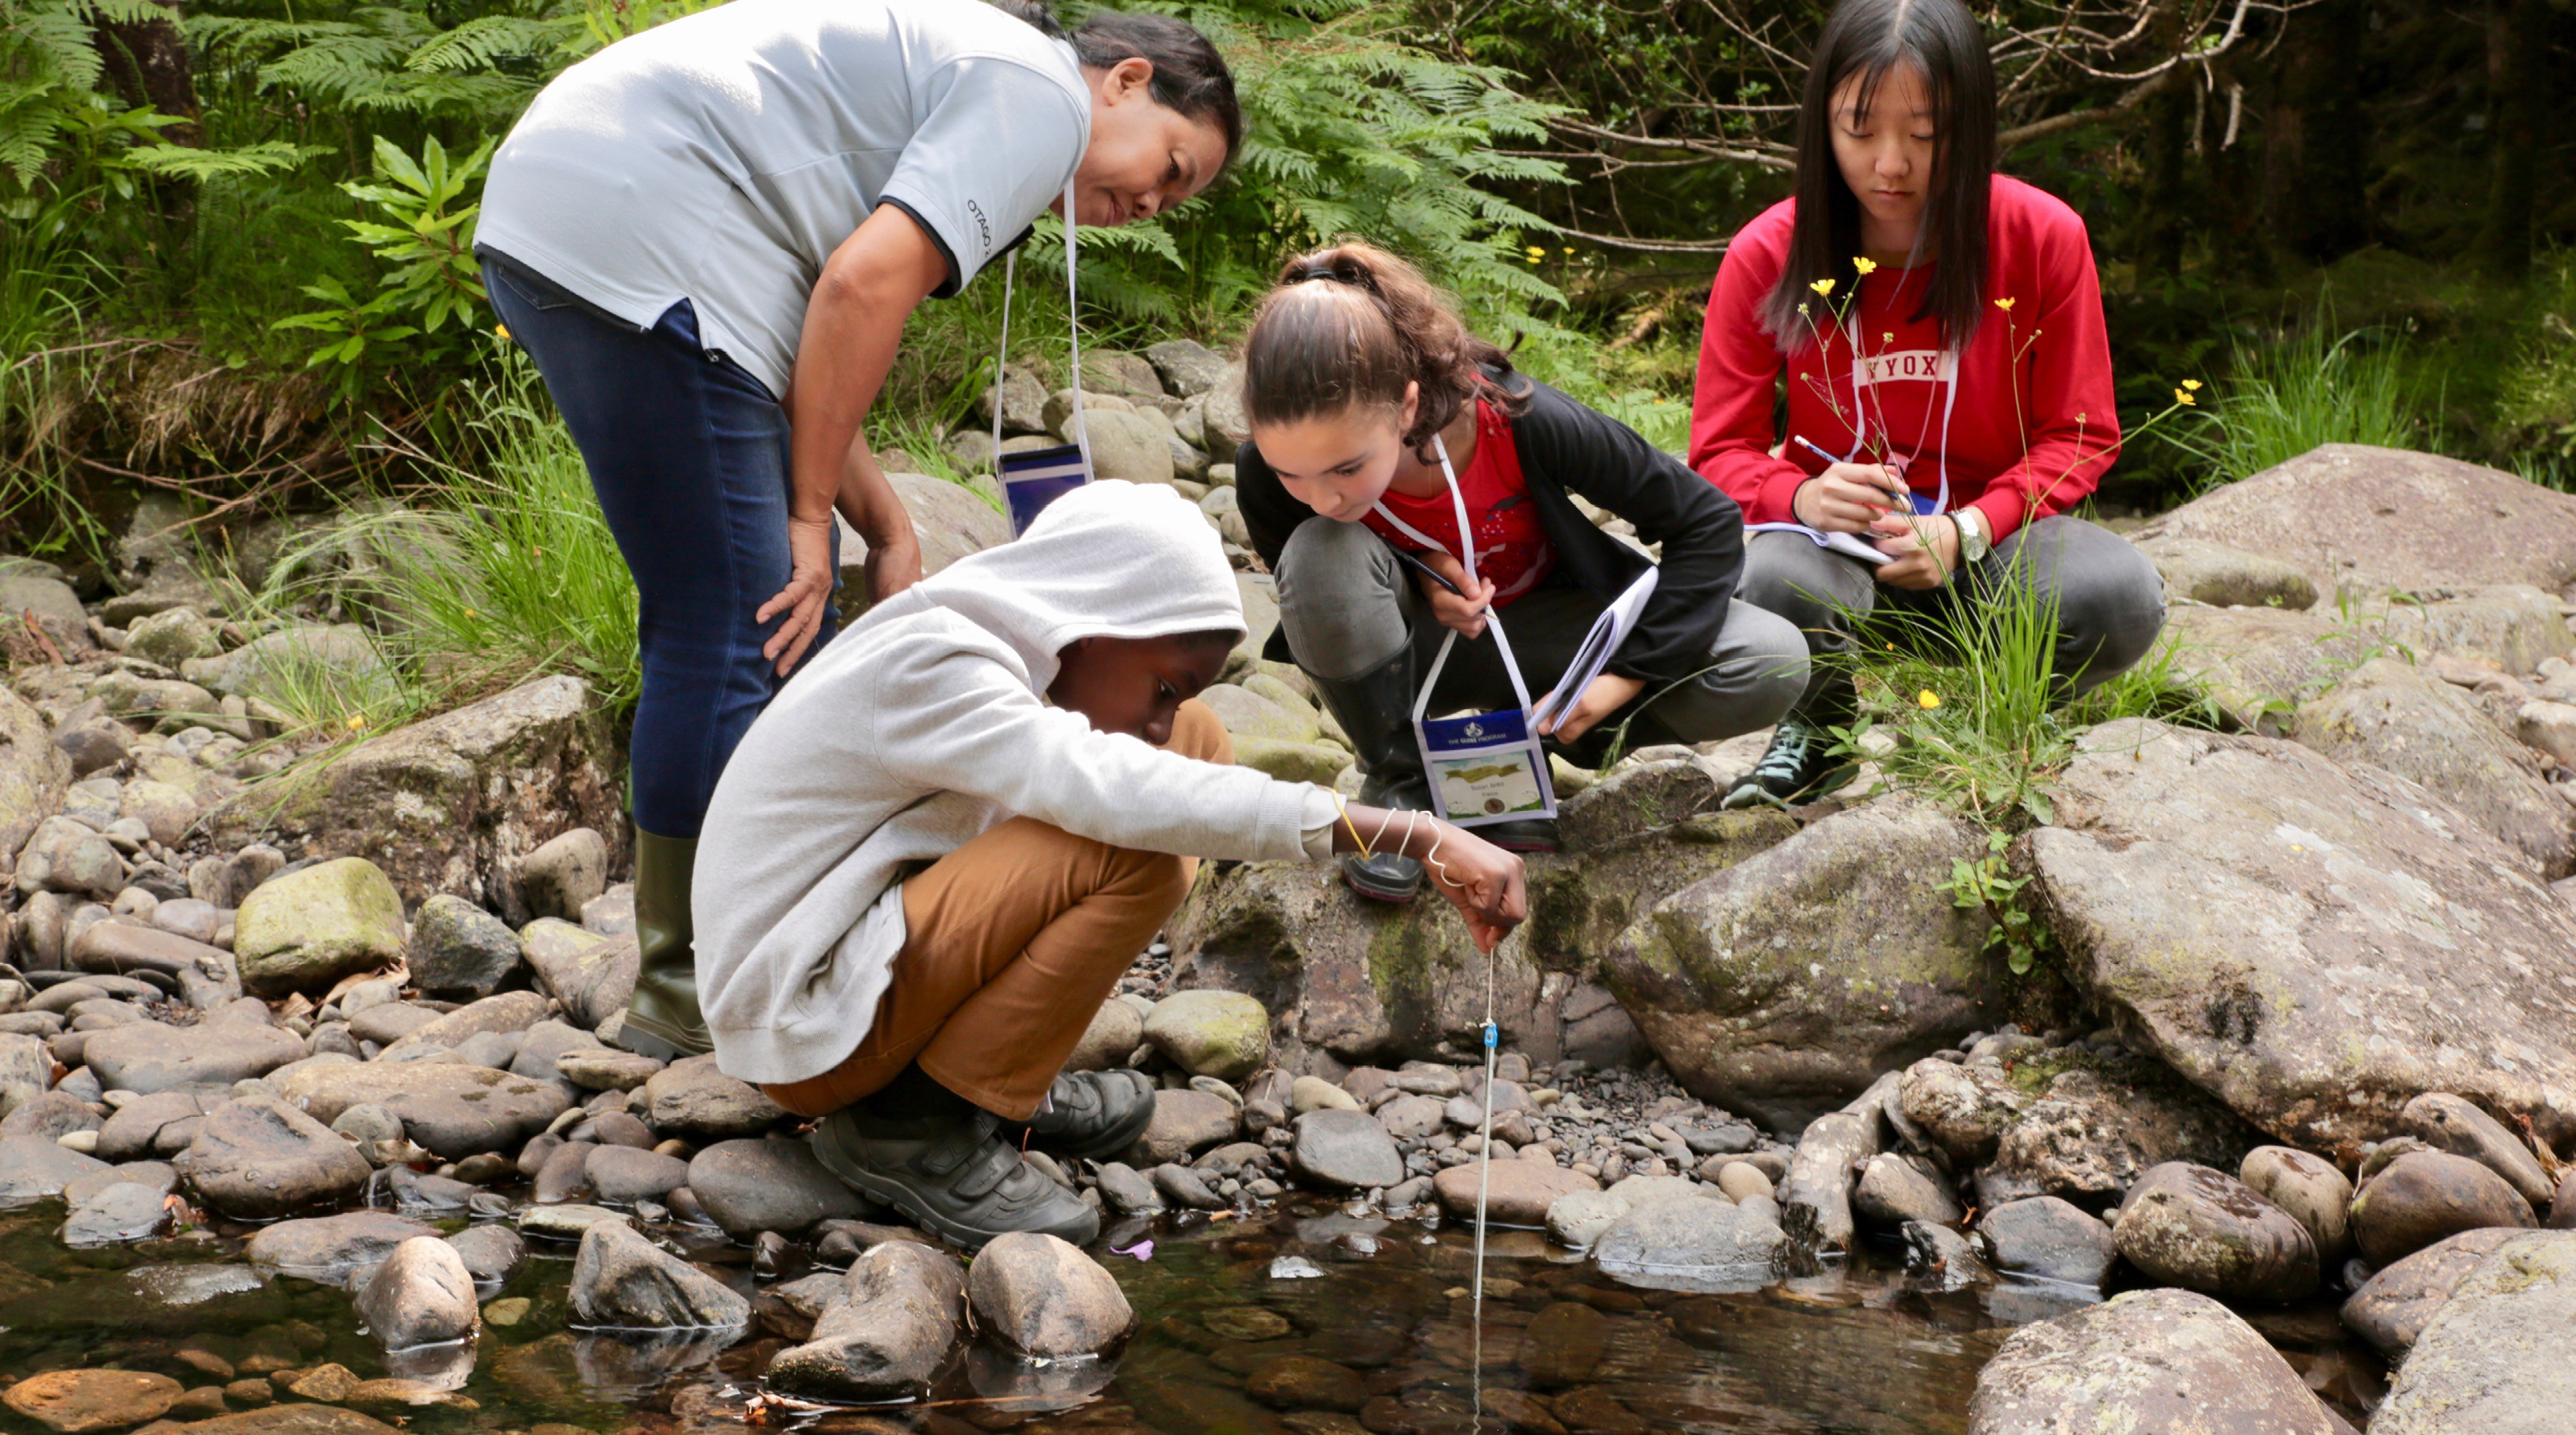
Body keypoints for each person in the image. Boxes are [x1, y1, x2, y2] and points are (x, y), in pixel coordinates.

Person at [474, 0, 1242, 1060]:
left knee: (728, 614)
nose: (1152, 201)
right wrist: (802, 515)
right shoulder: (1037, 93)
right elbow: (859, 284)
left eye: (1173, 197)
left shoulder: (958, 78)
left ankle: (733, 945)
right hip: (639, 218)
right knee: (741, 622)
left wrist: (881, 524)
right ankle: (693, 982)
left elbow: (795, 341)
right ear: (1124, 81)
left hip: (576, 208)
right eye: (1170, 164)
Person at [691, 480, 1527, 1248]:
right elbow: (1114, 794)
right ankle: (912, 1124)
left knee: (1197, 752)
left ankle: (993, 1077)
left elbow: (1155, 767)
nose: (1164, 719)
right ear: (1093, 619)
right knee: (1132, 846)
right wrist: (1416, 834)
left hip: (855, 944)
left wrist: (1173, 720)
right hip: (799, 1018)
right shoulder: (940, 665)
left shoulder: (1003, 641)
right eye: (1165, 686)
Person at [1690, 0, 2166, 809]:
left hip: (1987, 561)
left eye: (1925, 135)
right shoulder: (1768, 254)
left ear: (1972, 127)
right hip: (1836, 565)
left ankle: (1997, 710)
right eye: (1859, 129)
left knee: (2117, 593)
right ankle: (1820, 729)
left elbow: (2079, 436)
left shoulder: (2040, 237)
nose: (1889, 166)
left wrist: (1967, 529)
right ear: (1820, 126)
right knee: (1767, 574)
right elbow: (1717, 452)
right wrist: (1799, 495)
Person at [1233, 243, 1810, 905]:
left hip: (1549, 654)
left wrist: (1623, 679)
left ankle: (1515, 758)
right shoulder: (1265, 474)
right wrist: (1420, 571)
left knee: (1768, 658)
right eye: (1291, 474)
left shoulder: (1518, 420)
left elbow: (1704, 523)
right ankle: (1403, 781)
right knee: (1318, 550)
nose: (1323, 497)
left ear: (1404, 405)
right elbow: (1315, 598)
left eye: (1345, 468)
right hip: (1409, 655)